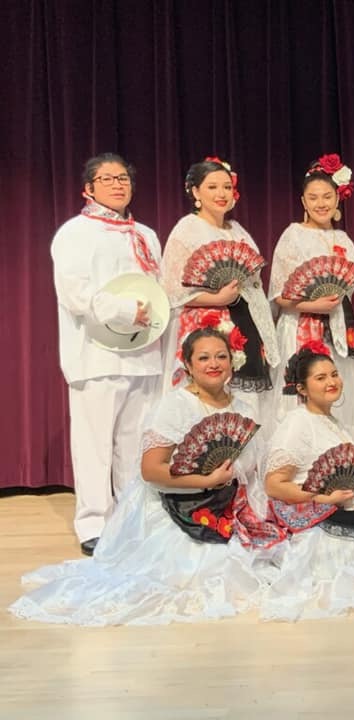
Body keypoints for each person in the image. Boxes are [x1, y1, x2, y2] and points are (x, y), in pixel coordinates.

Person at [10, 329, 270, 625]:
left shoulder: (243, 409)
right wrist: (205, 481)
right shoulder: (176, 405)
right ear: (187, 365)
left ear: (233, 361)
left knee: (266, 562)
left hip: (228, 505)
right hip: (179, 504)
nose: (214, 364)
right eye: (204, 358)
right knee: (200, 574)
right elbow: (152, 470)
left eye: (221, 356)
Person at [50, 152, 164, 555]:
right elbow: (75, 294)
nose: (118, 184)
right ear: (88, 188)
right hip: (95, 356)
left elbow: (159, 294)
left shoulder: (146, 235)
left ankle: (131, 520)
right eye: (107, 178)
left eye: (124, 178)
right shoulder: (73, 233)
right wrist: (124, 311)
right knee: (94, 444)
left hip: (144, 355)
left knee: (134, 446)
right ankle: (94, 525)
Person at [258, 345, 354, 620]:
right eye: (321, 378)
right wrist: (320, 498)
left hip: (343, 507)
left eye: (334, 374)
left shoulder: (331, 422)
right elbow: (274, 484)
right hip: (320, 518)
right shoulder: (298, 423)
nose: (332, 382)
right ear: (301, 388)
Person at [161, 157, 279, 424]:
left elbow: (253, 278)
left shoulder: (237, 230)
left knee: (245, 405)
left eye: (226, 187)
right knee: (209, 401)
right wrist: (216, 298)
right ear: (195, 192)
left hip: (244, 321)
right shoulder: (187, 229)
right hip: (206, 323)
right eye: (212, 187)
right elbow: (171, 290)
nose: (221, 194)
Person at [269, 155, 354, 447]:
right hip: (299, 328)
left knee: (338, 391)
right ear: (303, 202)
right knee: (302, 394)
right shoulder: (292, 235)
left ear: (338, 199)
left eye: (327, 196)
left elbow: (349, 285)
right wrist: (313, 306)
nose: (321, 203)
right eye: (313, 197)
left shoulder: (344, 239)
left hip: (337, 330)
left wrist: (332, 304)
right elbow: (280, 294)